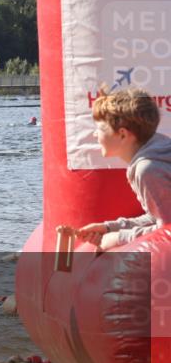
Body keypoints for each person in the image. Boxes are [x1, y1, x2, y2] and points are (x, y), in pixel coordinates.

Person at [58, 88, 170, 250]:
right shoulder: (158, 148)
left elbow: (166, 231)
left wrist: (118, 238)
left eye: (100, 129)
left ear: (123, 135)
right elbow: (158, 217)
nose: (95, 135)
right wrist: (109, 228)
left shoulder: (148, 169)